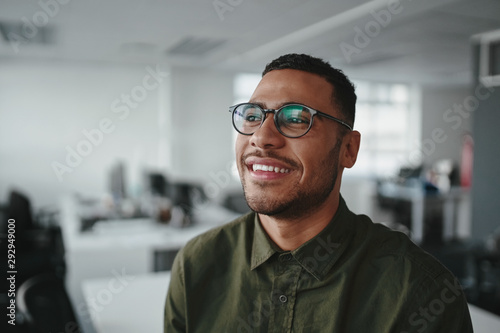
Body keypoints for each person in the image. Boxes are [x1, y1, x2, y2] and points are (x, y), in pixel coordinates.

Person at [164, 53, 473, 332]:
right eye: (253, 115)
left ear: (348, 149)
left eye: (296, 118)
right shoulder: (196, 265)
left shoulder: (420, 292)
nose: (261, 137)